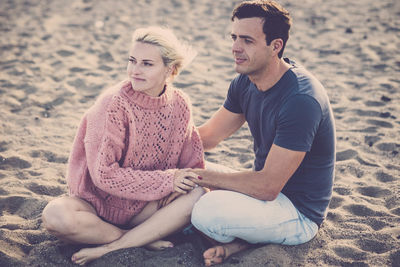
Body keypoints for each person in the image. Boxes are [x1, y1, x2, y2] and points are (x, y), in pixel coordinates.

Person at [185, 1, 336, 266]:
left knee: (206, 211)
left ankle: (242, 241)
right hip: (261, 192)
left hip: (297, 212)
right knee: (184, 169)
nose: (235, 47)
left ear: (275, 45)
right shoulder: (245, 81)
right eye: (234, 37)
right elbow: (208, 137)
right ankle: (240, 243)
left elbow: (268, 187)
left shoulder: (301, 99)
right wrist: (154, 139)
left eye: (247, 40)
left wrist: (199, 177)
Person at [41, 26, 205, 265]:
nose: (135, 71)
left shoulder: (180, 103)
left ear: (169, 69)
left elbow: (192, 165)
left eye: (147, 64)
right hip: (95, 207)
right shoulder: (113, 104)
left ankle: (123, 240)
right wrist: (168, 180)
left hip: (145, 208)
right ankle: (132, 240)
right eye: (132, 61)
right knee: (55, 216)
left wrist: (180, 184)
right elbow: (104, 175)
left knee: (197, 193)